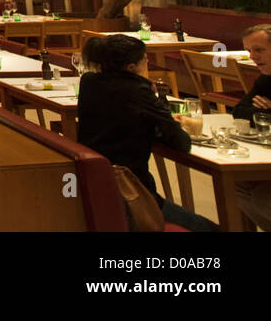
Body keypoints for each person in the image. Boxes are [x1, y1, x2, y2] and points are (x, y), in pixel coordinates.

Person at [76, 34, 218, 231]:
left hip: (98, 184)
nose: (148, 60)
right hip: (132, 192)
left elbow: (119, 115)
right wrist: (152, 101)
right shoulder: (138, 91)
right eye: (144, 57)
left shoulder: (89, 81)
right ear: (131, 66)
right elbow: (181, 142)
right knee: (211, 229)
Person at [233, 24, 271, 230]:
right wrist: (266, 113)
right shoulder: (265, 80)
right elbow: (240, 110)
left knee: (262, 196)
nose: (252, 56)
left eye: (259, 49)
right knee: (237, 185)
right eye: (248, 50)